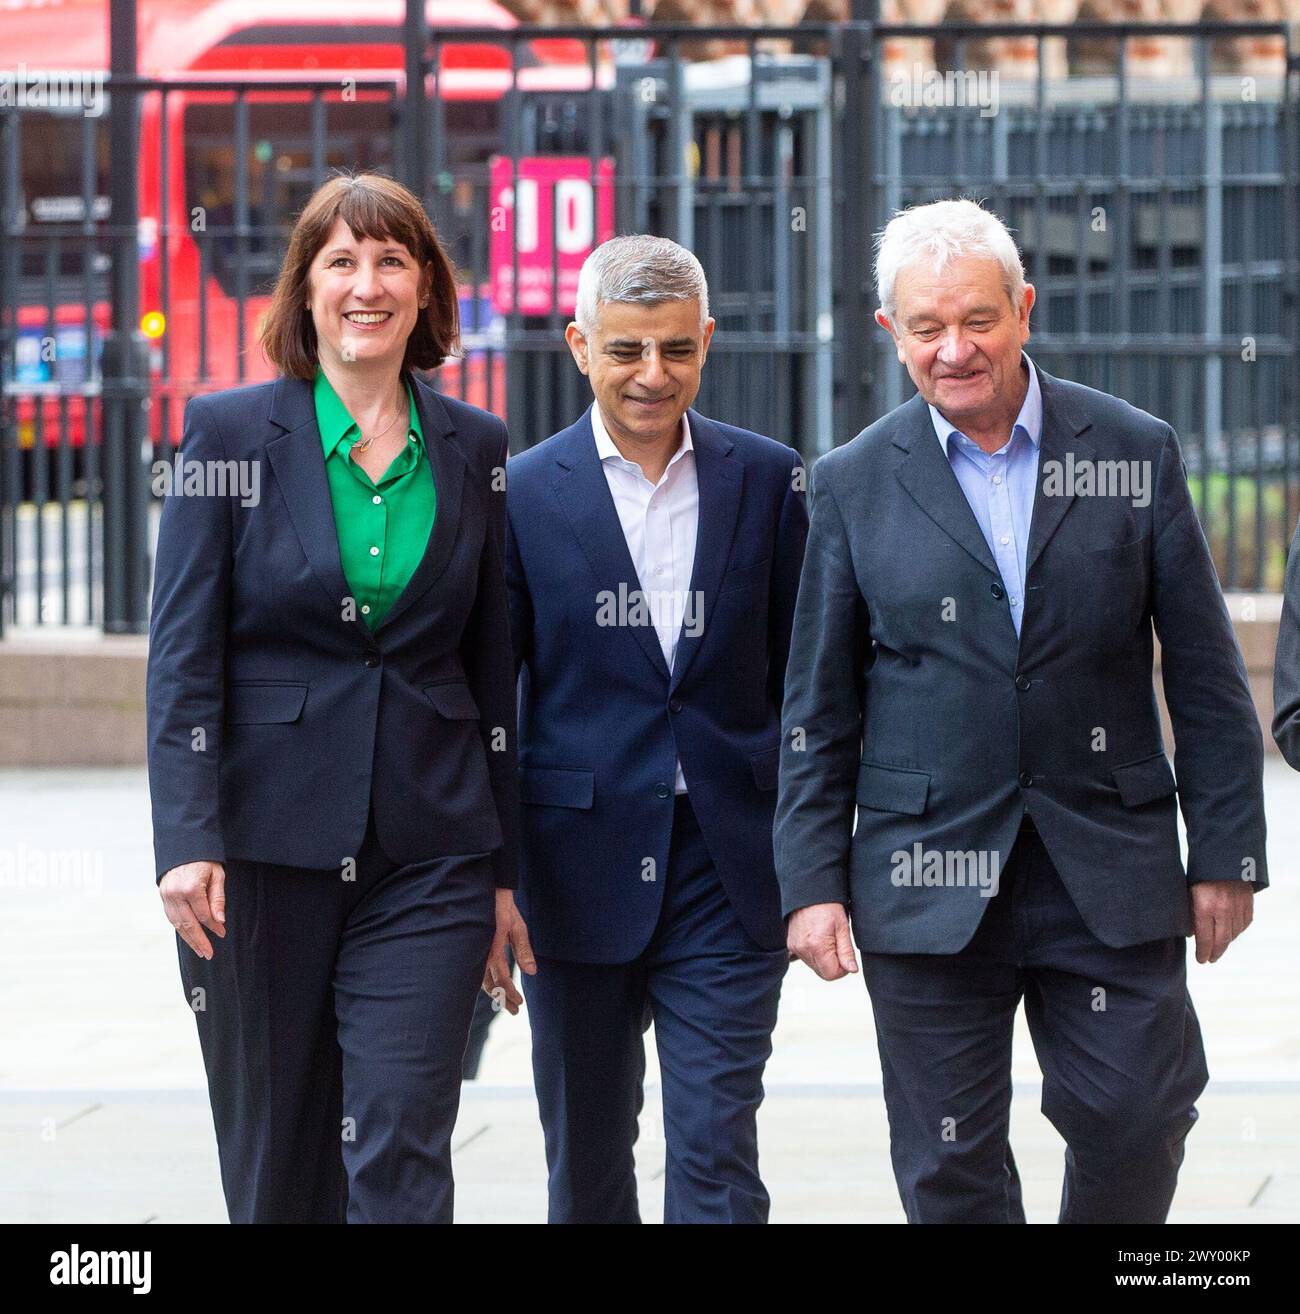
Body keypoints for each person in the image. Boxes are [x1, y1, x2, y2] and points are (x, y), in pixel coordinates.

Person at [775, 198, 1267, 1224]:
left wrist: (1226, 849)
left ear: (1024, 309)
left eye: (978, 320)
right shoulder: (852, 484)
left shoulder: (1132, 448)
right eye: (926, 328)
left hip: (1107, 858)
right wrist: (810, 882)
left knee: (1138, 1113)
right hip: (924, 872)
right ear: (891, 334)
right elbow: (818, 704)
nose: (955, 350)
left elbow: (1207, 671)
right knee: (947, 1166)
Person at [147, 171, 532, 1224]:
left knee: (404, 1132)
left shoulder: (476, 449)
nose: (368, 284)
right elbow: (181, 652)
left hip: (433, 849)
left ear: (425, 290)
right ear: (306, 289)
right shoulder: (226, 435)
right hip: (262, 849)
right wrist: (186, 837)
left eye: (392, 260)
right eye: (342, 261)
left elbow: (493, 670)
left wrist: (503, 876)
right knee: (279, 1154)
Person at [501, 235, 808, 1223]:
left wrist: (817, 862)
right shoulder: (519, 494)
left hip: (725, 865)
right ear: (578, 345)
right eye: (626, 349)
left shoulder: (769, 481)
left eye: (675, 349)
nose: (650, 375)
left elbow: (806, 680)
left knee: (718, 1151)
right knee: (587, 1161)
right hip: (572, 864)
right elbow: (493, 699)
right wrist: (492, 876)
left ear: (707, 341)